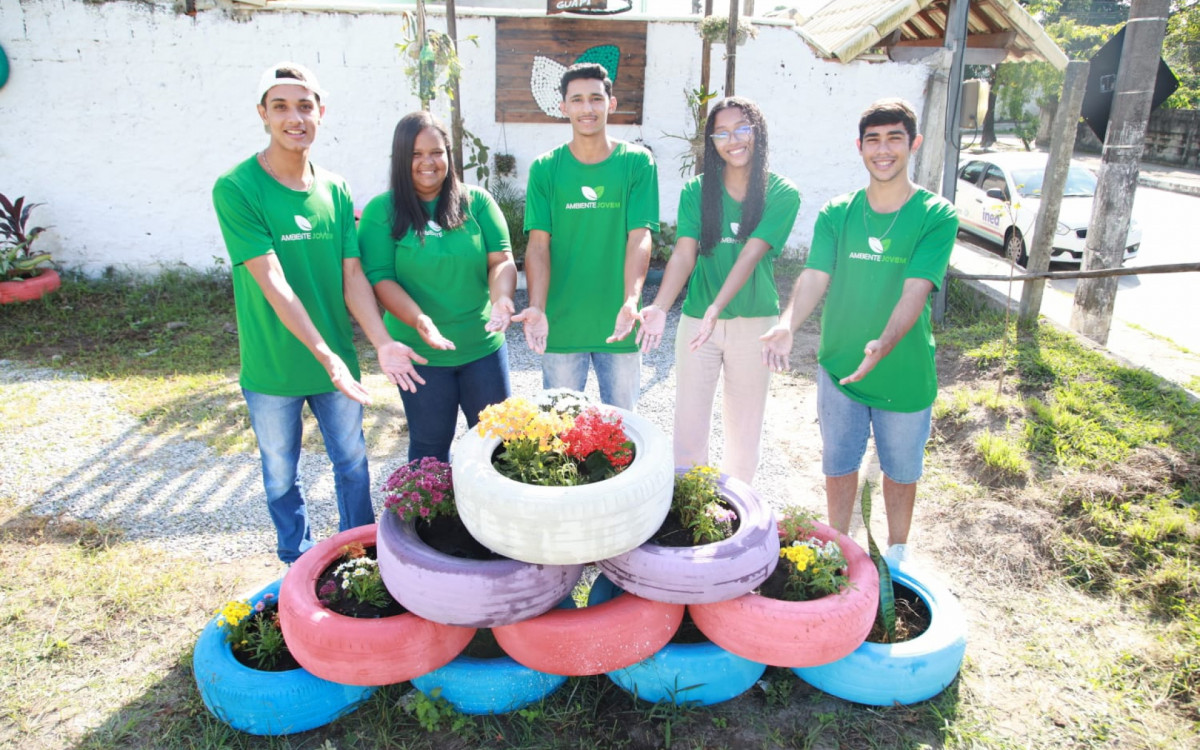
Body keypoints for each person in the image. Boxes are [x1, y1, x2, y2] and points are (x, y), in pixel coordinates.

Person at [212, 62, 426, 564]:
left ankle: (364, 555)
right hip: (273, 365)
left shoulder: (334, 188)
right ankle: (298, 557)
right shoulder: (237, 188)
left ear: (320, 113)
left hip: (337, 365)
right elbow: (274, 282)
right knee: (281, 469)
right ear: (263, 114)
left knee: (352, 462)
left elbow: (353, 277)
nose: (295, 117)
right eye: (281, 106)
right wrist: (326, 356)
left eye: (304, 106)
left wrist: (380, 342)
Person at [760, 98, 958, 562]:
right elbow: (814, 276)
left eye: (894, 139)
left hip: (904, 373)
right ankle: (838, 548)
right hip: (838, 367)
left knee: (901, 472)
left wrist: (884, 344)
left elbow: (915, 291)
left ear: (914, 144)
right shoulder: (838, 212)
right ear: (860, 147)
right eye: (874, 140)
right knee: (839, 464)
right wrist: (787, 324)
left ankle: (897, 555)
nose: (883, 150)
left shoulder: (936, 214)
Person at [636, 97, 799, 483]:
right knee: (689, 424)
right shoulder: (697, 191)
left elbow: (751, 254)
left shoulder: (781, 192)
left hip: (755, 321)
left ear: (757, 133)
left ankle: (737, 517)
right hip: (698, 323)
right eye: (722, 133)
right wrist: (660, 306)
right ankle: (690, 510)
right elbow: (683, 253)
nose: (733, 140)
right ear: (712, 141)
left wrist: (718, 305)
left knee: (744, 430)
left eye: (742, 128)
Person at [358, 111, 518, 462]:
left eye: (436, 152)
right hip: (420, 355)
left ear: (449, 154)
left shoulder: (477, 203)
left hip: (482, 348)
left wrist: (502, 297)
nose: (427, 162)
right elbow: (381, 279)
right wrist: (420, 320)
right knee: (430, 449)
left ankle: (491, 517)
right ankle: (428, 519)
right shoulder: (381, 212)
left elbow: (501, 260)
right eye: (416, 154)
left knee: (501, 446)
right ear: (401, 159)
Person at [513, 62, 660, 410]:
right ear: (563, 107)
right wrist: (535, 305)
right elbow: (537, 245)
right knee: (561, 433)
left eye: (596, 98)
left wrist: (631, 300)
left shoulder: (637, 163)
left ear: (611, 103)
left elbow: (639, 237)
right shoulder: (546, 168)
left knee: (622, 431)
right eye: (576, 100)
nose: (587, 108)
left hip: (619, 323)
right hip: (561, 325)